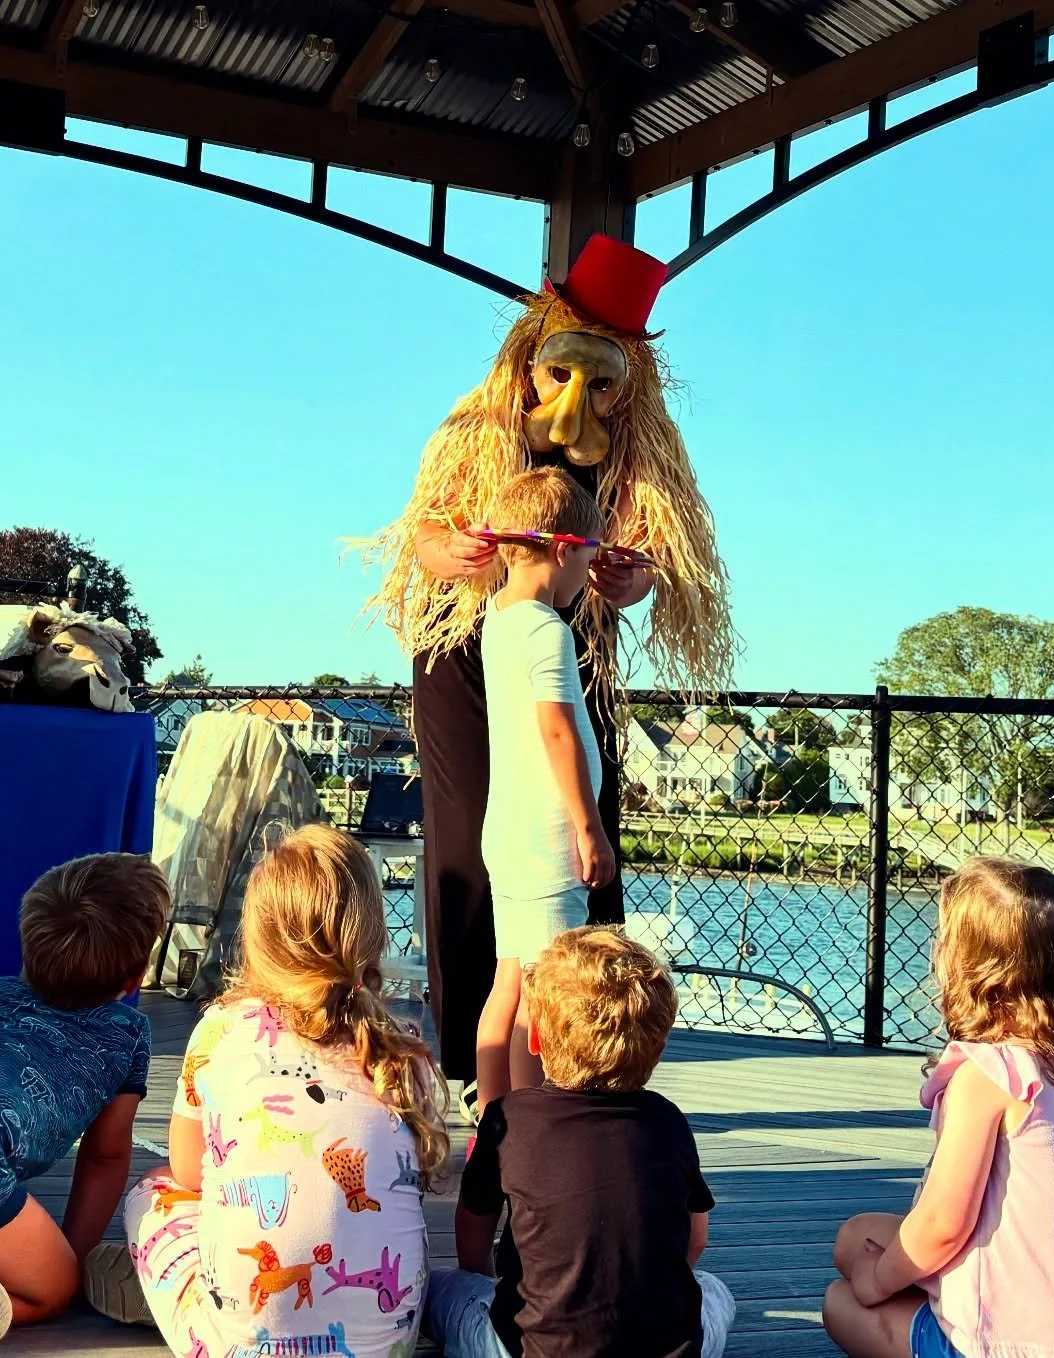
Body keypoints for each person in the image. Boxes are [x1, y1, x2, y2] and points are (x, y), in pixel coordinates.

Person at [365, 234, 734, 1106]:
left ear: (627, 380)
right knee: (464, 840)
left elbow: (651, 564)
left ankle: (589, 1047)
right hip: (470, 637)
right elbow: (419, 532)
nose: (576, 398)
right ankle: (469, 1065)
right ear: (532, 355)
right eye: (561, 373)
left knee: (586, 830)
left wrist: (633, 578)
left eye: (601, 381)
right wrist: (443, 549)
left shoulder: (645, 449)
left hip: (578, 640)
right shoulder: (475, 427)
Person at [86, 824, 449, 1358]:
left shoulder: (220, 1028)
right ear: (369, 932)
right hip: (383, 1343)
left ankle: (182, 1288)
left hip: (237, 1345)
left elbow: (189, 1173)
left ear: (258, 936)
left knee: (154, 1189)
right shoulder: (401, 1050)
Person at [824, 857, 1054, 1358]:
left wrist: (877, 1284)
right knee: (854, 1237)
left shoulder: (985, 1077)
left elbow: (944, 1224)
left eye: (942, 938)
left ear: (969, 967)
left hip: (1006, 1346)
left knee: (842, 1302)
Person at [425, 926, 736, 1358]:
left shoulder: (509, 1118)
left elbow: (473, 1224)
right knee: (714, 1291)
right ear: (657, 1047)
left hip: (530, 1347)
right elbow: (695, 1240)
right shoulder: (668, 1121)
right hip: (665, 1347)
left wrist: (480, 1279)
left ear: (534, 1040)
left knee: (442, 1289)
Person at [472, 467, 616, 1115]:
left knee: (508, 979)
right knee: (541, 990)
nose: (589, 572)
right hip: (546, 836)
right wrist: (589, 826)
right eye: (590, 556)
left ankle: (496, 1120)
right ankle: (530, 1125)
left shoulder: (499, 620)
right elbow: (557, 730)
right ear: (562, 550)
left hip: (507, 832)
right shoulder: (546, 629)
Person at [0, 852, 169, 1337]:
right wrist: (68, 1259)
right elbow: (104, 1157)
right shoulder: (127, 1037)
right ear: (134, 980)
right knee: (50, 1286)